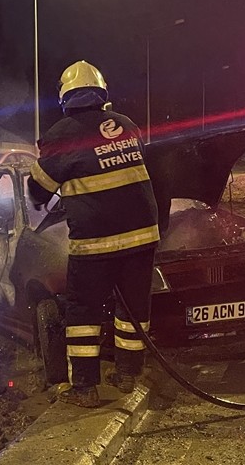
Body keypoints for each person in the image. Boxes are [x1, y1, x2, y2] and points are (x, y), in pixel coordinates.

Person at [27, 60, 160, 407]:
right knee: (132, 308)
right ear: (101, 94)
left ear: (65, 97)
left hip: (95, 242)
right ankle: (129, 373)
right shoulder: (128, 125)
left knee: (83, 312)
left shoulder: (62, 135)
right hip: (143, 236)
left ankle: (85, 387)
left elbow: (38, 191)